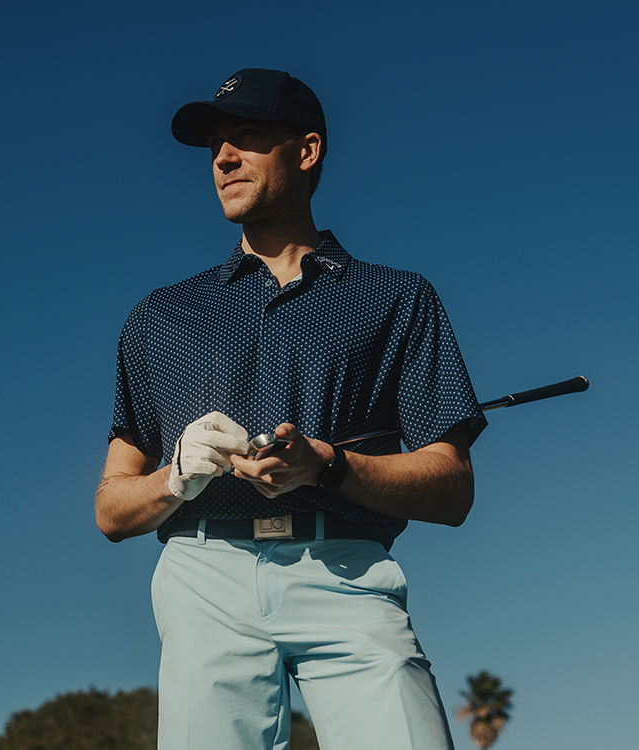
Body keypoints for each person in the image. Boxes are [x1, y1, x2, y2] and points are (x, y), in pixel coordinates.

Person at [96, 68, 487, 750]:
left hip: (348, 572)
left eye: (247, 137)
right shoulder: (161, 315)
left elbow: (452, 486)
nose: (222, 158)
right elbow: (110, 510)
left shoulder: (396, 298)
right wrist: (176, 474)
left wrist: (328, 465)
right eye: (217, 143)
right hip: (203, 579)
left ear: (306, 151)